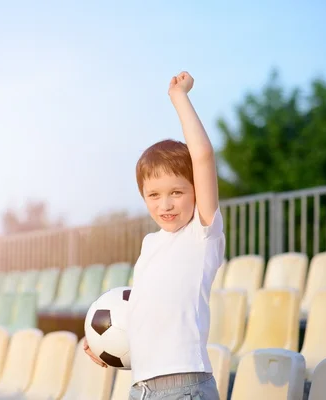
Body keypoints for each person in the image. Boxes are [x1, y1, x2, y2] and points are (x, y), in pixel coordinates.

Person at [83, 71, 226, 399]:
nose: (166, 204)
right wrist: (100, 342)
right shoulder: (151, 246)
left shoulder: (202, 234)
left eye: (177, 192)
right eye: (154, 195)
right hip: (142, 388)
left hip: (185, 388)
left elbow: (202, 156)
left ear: (195, 192)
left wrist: (179, 97)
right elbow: (144, 317)